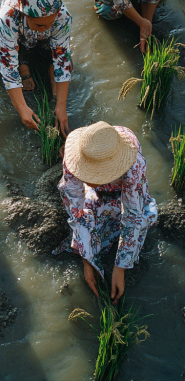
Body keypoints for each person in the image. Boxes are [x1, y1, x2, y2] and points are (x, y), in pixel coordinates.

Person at [52, 121, 158, 304]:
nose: (90, 178)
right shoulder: (75, 156)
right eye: (88, 173)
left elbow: (132, 215)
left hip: (125, 192)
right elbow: (76, 209)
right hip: (97, 196)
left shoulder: (133, 165)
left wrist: (120, 267)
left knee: (147, 216)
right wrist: (87, 258)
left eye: (96, 175)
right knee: (90, 218)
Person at [0, 0, 73, 138]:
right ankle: (24, 63)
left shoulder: (62, 16)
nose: (46, 29)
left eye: (50, 24)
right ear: (25, 15)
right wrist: (22, 108)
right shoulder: (8, 17)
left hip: (30, 26)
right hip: (5, 23)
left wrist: (61, 105)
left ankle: (50, 73)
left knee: (58, 55)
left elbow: (63, 58)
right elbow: (8, 65)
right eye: (40, 24)